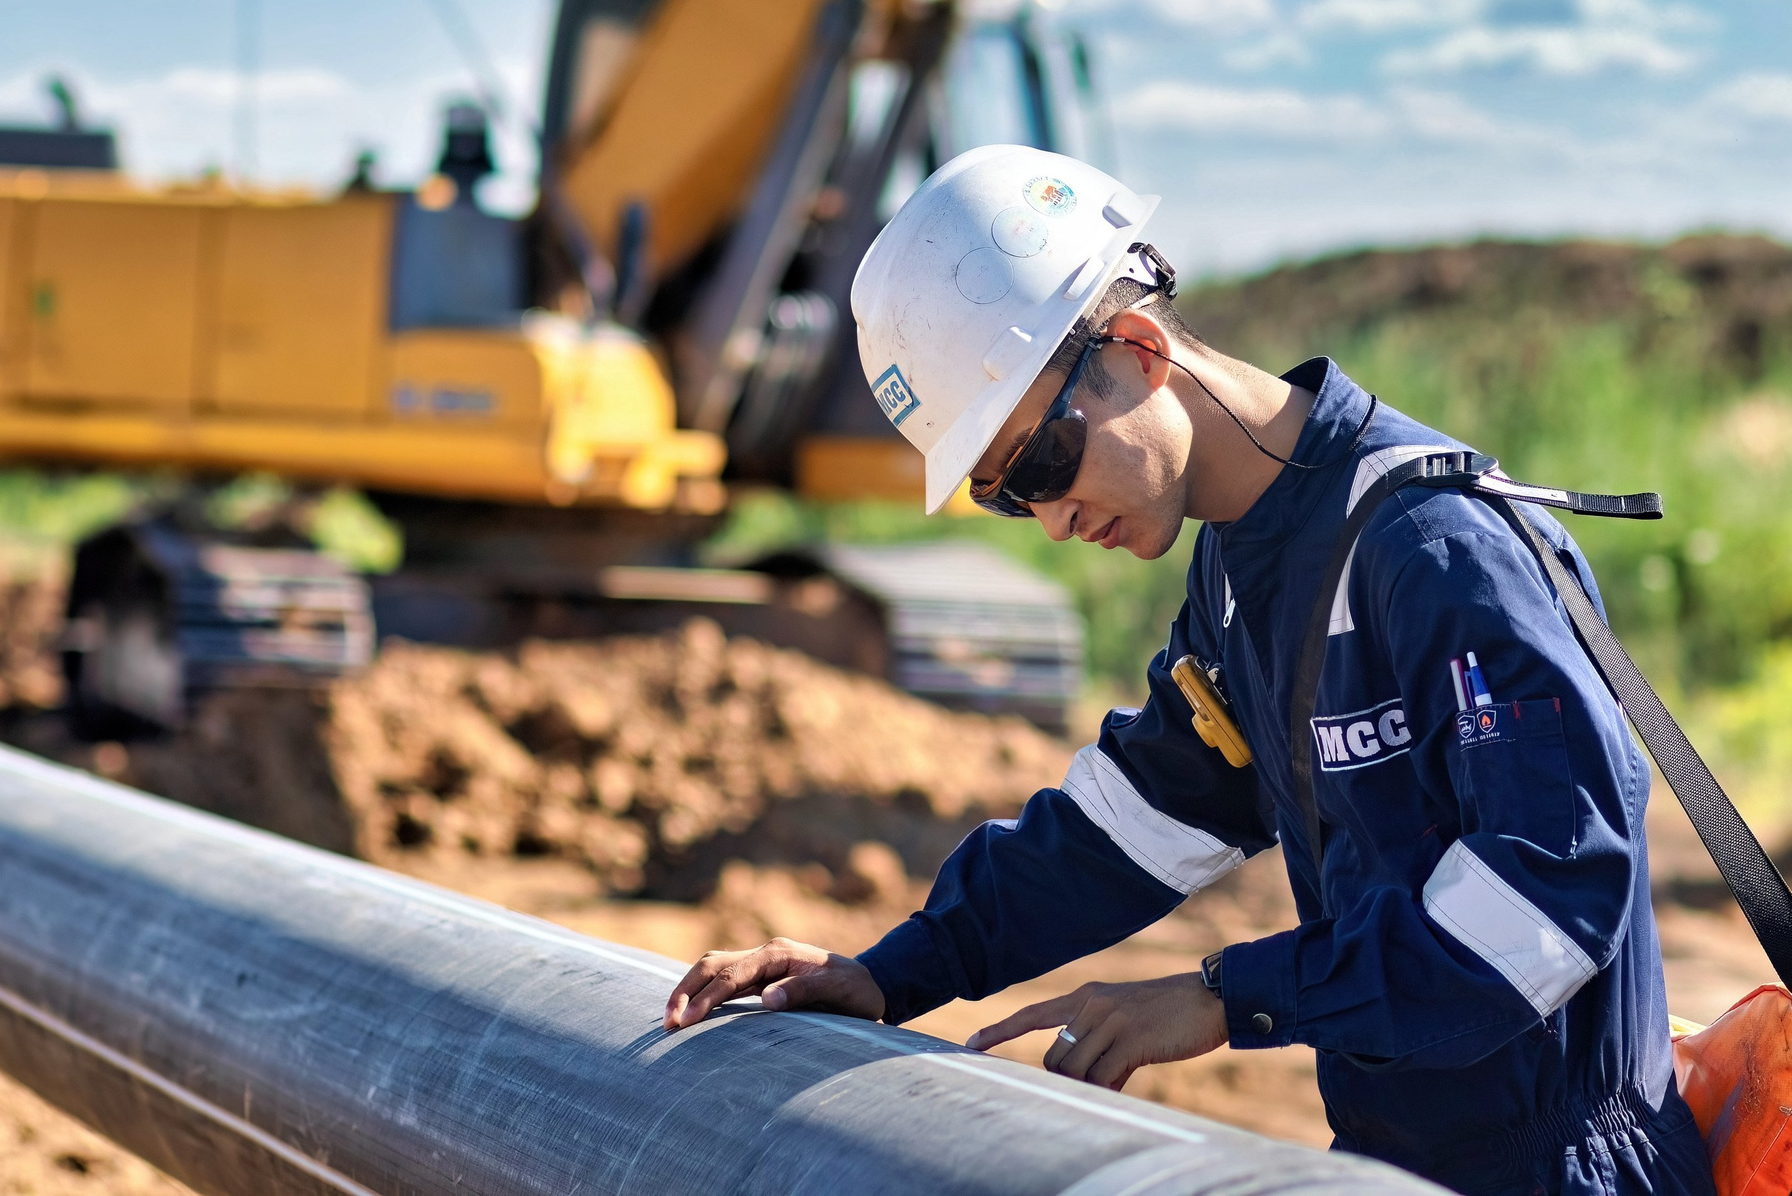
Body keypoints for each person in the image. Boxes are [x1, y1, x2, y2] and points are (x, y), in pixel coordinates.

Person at [663, 146, 1709, 1196]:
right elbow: (1133, 823)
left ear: (1136, 347)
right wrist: (889, 974)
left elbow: (1552, 900)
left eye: (1039, 462)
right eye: (1006, 496)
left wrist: (1226, 993)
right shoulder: (1241, 572)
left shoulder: (1430, 549)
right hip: (1404, 1169)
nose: (1053, 519)